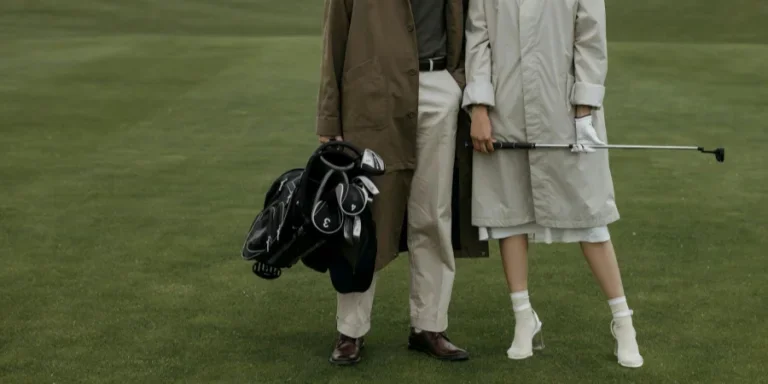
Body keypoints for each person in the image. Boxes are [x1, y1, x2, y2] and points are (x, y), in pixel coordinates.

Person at [462, 0, 644, 368]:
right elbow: (477, 39)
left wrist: (584, 108)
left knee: (589, 216)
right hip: (506, 108)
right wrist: (479, 105)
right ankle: (523, 317)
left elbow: (590, 37)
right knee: (508, 213)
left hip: (564, 110)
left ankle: (624, 323)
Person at [315, 0, 487, 365]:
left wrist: (457, 82)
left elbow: (473, 22)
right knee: (361, 218)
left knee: (432, 213)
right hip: (374, 97)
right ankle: (351, 329)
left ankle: (429, 325)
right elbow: (334, 37)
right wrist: (329, 120)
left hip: (439, 90)